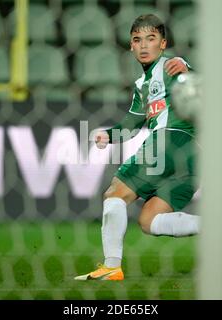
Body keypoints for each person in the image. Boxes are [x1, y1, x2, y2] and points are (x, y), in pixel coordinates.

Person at [75, 14, 203, 281]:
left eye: (151, 39)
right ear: (131, 47)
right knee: (149, 221)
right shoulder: (142, 87)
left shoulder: (170, 67)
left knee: (114, 194)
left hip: (169, 141)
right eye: (137, 40)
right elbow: (130, 124)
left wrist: (187, 68)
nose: (144, 45)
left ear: (163, 43)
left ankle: (111, 266)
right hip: (191, 159)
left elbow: (196, 85)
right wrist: (108, 136)